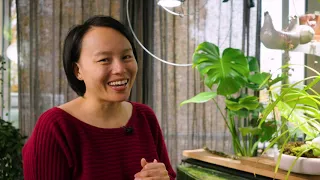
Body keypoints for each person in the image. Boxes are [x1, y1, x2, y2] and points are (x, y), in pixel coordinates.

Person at [22, 16, 176, 180]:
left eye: (126, 57)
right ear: (77, 71)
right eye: (104, 60)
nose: (120, 69)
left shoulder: (145, 116)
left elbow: (169, 176)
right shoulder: (56, 126)